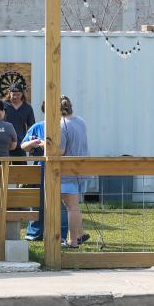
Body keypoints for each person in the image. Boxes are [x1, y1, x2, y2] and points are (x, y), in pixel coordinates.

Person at [20, 101, 68, 242]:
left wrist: (45, 145)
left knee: (61, 203)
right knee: (38, 201)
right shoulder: (37, 126)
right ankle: (35, 232)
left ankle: (61, 235)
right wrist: (33, 143)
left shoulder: (64, 127)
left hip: (60, 170)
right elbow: (24, 146)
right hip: (39, 169)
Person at [58, 95, 90, 248]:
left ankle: (72, 241)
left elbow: (61, 150)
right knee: (74, 205)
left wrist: (45, 144)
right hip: (82, 169)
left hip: (67, 172)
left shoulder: (61, 125)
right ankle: (81, 233)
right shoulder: (81, 121)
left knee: (71, 207)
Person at [3, 83, 35, 161]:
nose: (15, 97)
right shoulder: (3, 105)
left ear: (22, 94)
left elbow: (31, 126)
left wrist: (29, 142)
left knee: (21, 171)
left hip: (20, 145)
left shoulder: (27, 107)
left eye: (18, 94)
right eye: (13, 94)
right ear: (9, 93)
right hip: (4, 145)